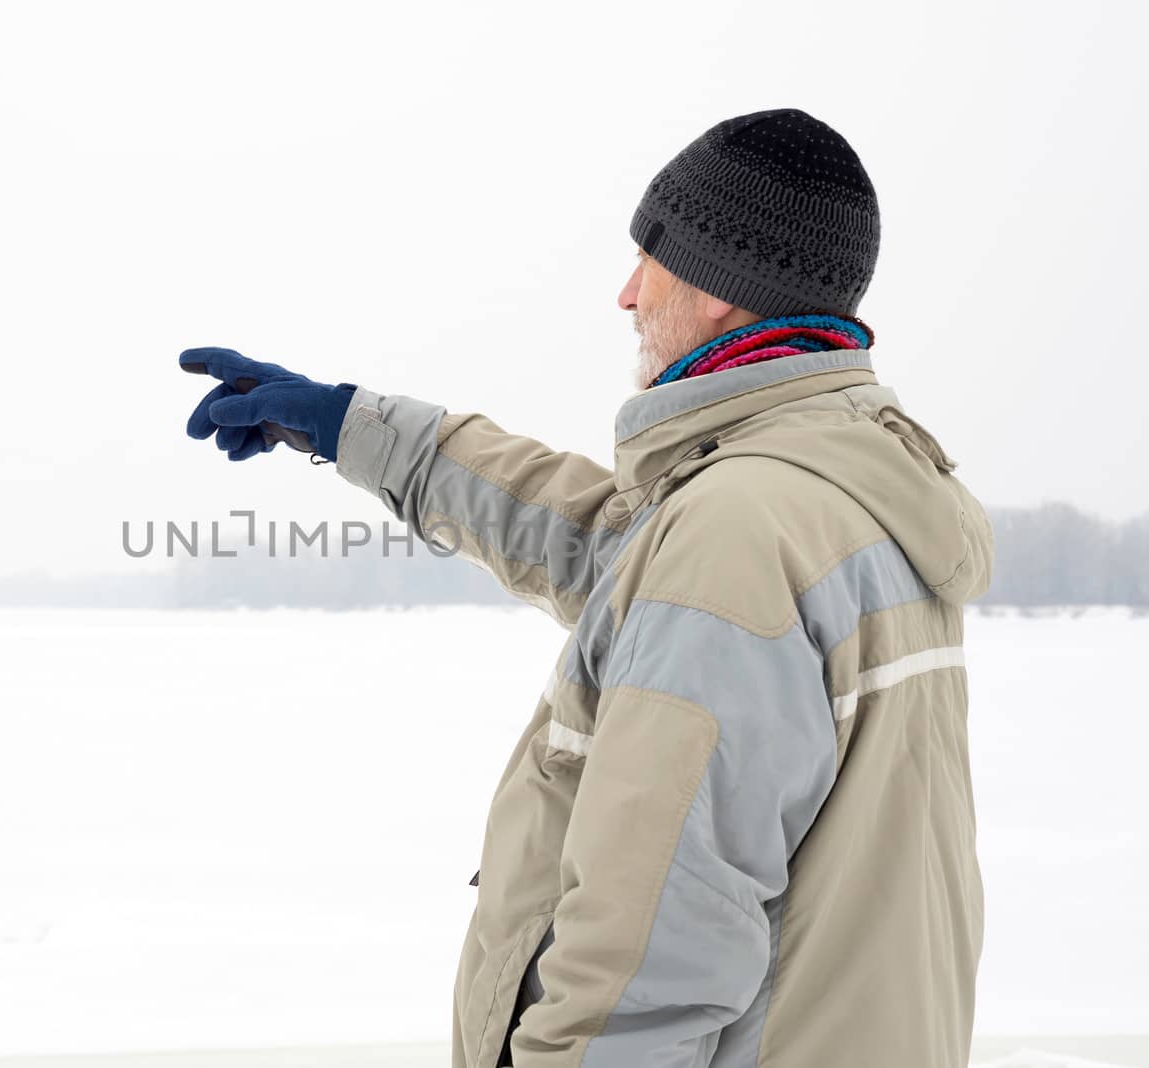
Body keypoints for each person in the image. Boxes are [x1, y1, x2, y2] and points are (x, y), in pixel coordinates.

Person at [178, 107, 994, 1068]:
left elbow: (650, 957)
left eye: (650, 258)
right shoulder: (837, 490)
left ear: (724, 291)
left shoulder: (736, 533)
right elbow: (604, 545)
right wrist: (355, 427)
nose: (625, 293)